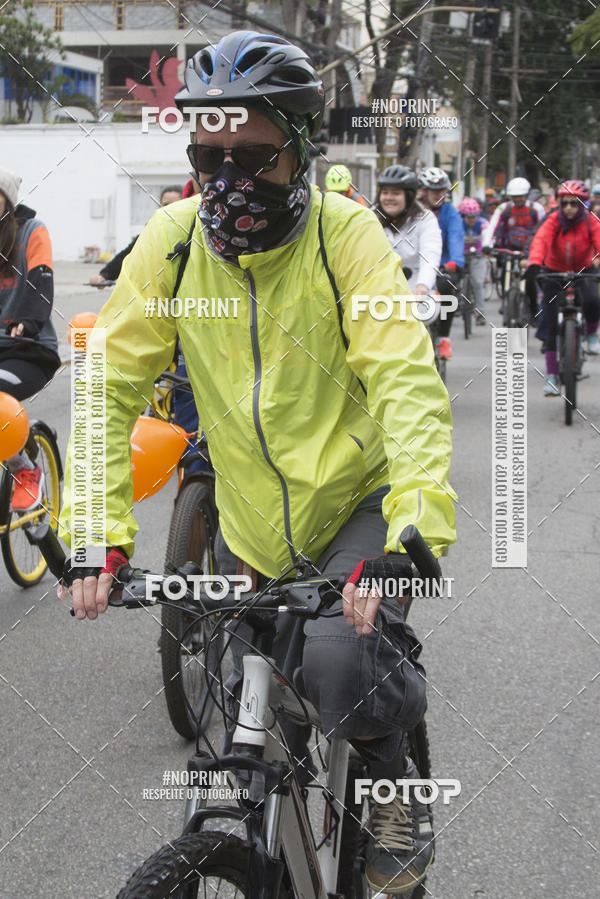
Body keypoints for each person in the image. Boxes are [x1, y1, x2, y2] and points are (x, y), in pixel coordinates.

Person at [58, 31, 457, 895]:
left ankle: (396, 798)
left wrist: (413, 521)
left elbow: (406, 380)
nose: (230, 179)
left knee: (343, 667)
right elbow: (108, 390)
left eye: (256, 156)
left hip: (358, 498)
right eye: (211, 156)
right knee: (248, 701)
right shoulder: (172, 241)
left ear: (302, 152)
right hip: (249, 522)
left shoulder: (346, 237)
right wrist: (94, 530)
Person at [0, 168, 60, 510]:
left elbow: (41, 280)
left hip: (28, 350)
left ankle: (25, 470)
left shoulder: (31, 232)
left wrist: (28, 321)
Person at [525, 180, 600, 396]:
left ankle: (592, 335)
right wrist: (534, 264)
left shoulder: (590, 221)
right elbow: (540, 242)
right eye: (564, 203)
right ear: (559, 203)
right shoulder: (552, 221)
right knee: (549, 321)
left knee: (594, 300)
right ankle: (551, 375)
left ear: (583, 204)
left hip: (583, 269)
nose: (568, 207)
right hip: (554, 270)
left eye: (574, 203)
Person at [89, 185, 183, 285]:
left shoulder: (193, 228)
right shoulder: (152, 229)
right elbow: (130, 253)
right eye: (165, 204)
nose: (169, 209)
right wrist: (104, 275)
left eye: (175, 204)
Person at [373, 165, 442, 297]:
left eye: (396, 193)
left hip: (416, 288)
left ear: (409, 196)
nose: (389, 197)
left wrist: (423, 286)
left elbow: (430, 256)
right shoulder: (370, 217)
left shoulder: (425, 219)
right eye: (385, 192)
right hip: (379, 291)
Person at [419, 166, 465, 358]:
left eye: (442, 191)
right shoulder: (414, 211)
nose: (439, 195)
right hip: (415, 267)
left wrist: (454, 262)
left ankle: (443, 338)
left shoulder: (450, 212)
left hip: (442, 265)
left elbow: (456, 237)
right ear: (423, 191)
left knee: (448, 286)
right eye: (434, 191)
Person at [483, 177, 545, 319]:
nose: (518, 200)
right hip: (509, 248)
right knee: (505, 270)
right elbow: (493, 225)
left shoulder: (536, 209)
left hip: (531, 250)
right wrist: (487, 244)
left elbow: (544, 229)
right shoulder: (504, 208)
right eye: (514, 197)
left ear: (527, 195)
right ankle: (507, 299)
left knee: (530, 280)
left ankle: (534, 307)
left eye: (521, 196)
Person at [459, 198, 488, 325]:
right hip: (461, 255)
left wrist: (487, 246)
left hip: (478, 255)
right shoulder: (459, 224)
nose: (472, 219)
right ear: (463, 216)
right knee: (456, 280)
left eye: (474, 216)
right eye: (468, 217)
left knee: (478, 282)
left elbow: (487, 236)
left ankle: (480, 313)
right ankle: (459, 302)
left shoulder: (483, 223)